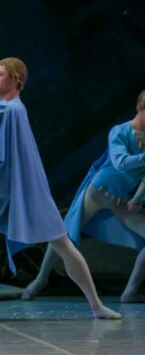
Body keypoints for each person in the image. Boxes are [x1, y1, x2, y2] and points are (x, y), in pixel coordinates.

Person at [0, 57, 121, 322]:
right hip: (5, 199)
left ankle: (97, 305)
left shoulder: (12, 111)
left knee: (63, 245)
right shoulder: (5, 110)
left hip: (27, 198)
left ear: (16, 79)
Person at [23, 89, 145, 304]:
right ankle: (41, 278)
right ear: (139, 107)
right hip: (98, 191)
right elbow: (120, 162)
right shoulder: (119, 131)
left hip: (122, 200)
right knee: (64, 233)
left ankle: (130, 291)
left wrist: (137, 199)